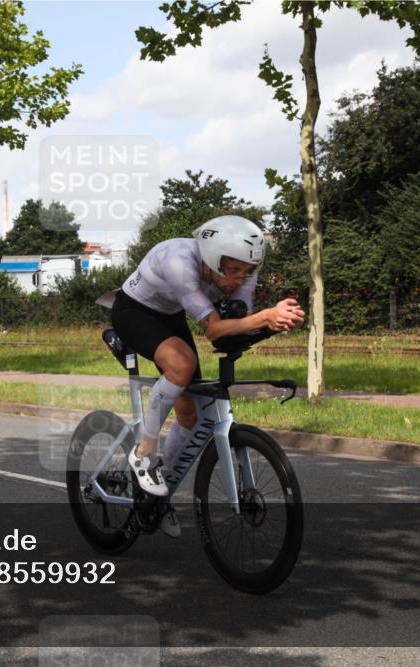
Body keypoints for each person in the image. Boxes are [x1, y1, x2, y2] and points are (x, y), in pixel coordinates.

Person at [110, 215, 306, 536]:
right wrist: (266, 317)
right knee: (182, 364)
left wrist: (273, 323)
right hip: (134, 311)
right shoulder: (180, 263)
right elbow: (214, 330)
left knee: (190, 416)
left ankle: (155, 498)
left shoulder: (242, 269)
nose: (241, 280)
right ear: (213, 258)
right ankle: (144, 451)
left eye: (249, 271)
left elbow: (235, 329)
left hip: (171, 316)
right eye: (234, 271)